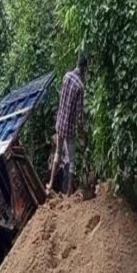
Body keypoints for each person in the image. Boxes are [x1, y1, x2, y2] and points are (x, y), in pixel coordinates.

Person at [47, 53, 87, 194]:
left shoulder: (66, 76)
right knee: (71, 160)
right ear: (84, 69)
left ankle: (50, 183)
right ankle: (69, 189)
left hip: (59, 123)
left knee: (58, 152)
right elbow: (79, 116)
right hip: (69, 127)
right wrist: (82, 134)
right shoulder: (80, 87)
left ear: (77, 64)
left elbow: (61, 99)